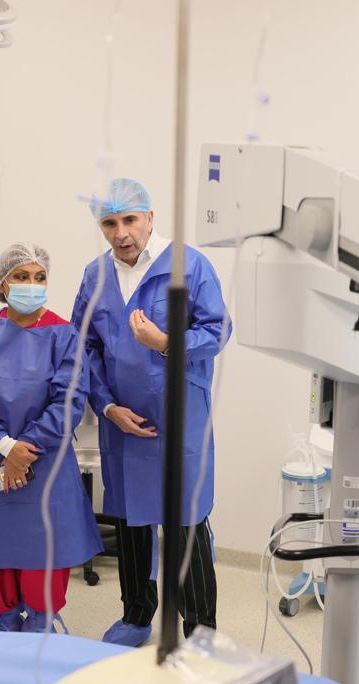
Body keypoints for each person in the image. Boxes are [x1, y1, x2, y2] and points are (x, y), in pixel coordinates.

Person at [72, 178, 229, 648]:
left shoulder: (188, 266)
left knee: (186, 522)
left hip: (178, 418)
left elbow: (217, 331)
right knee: (130, 520)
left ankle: (200, 631)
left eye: (130, 220)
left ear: (150, 218)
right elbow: (84, 348)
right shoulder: (95, 276)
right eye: (109, 223)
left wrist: (165, 342)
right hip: (122, 422)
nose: (121, 233)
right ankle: (137, 615)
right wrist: (105, 406)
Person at [0, 243, 102, 633]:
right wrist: (5, 447)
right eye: (21, 276)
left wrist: (24, 450)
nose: (31, 285)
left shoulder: (65, 337)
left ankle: (39, 629)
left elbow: (68, 402)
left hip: (45, 465)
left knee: (43, 554)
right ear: (2, 284)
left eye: (39, 277)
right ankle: (3, 627)